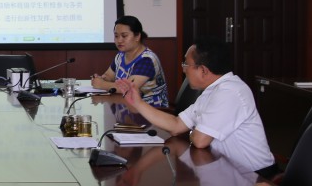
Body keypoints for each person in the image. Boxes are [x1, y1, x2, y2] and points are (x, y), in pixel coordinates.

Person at [115, 35, 274, 172]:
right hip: (226, 169)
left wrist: (193, 131)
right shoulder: (212, 91)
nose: (183, 69)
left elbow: (200, 140)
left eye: (186, 64)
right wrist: (138, 102)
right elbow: (176, 125)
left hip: (255, 177)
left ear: (203, 70)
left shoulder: (230, 92)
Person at [89, 15, 169, 107]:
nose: (119, 40)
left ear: (137, 36)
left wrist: (101, 84)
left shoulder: (146, 60)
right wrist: (101, 79)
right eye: (116, 36)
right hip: (127, 106)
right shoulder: (120, 56)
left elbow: (128, 89)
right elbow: (108, 75)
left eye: (124, 36)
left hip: (151, 110)